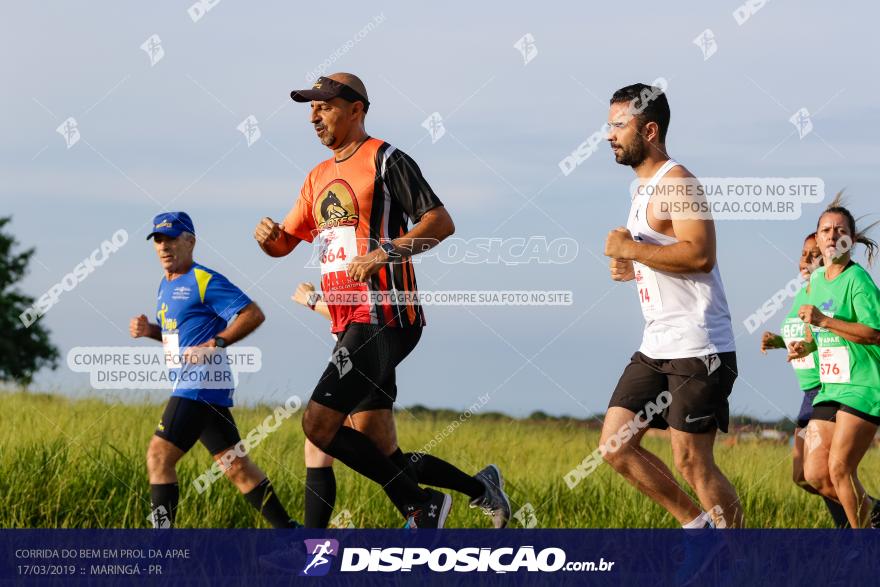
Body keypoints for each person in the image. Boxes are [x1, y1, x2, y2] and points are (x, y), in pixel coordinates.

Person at [254, 73, 507, 528]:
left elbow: (440, 222)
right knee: (379, 450)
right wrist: (269, 238)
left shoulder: (387, 159)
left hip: (387, 314)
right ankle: (478, 488)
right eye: (310, 107)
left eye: (325, 105)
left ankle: (418, 509)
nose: (315, 114)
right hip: (347, 322)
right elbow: (285, 242)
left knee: (318, 425)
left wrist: (384, 252)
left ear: (356, 109)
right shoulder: (316, 178)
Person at [601, 82, 743, 528]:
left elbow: (700, 254)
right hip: (658, 343)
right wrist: (629, 264)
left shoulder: (678, 181)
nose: (609, 135)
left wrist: (633, 250)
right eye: (608, 125)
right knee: (615, 445)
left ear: (649, 130)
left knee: (692, 462)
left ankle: (743, 560)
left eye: (618, 125)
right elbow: (659, 254)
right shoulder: (641, 191)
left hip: (699, 345)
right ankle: (697, 528)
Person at [291, 282, 510, 529]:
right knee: (369, 453)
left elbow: (362, 309)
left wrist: (312, 300)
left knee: (337, 444)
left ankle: (427, 508)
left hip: (366, 350)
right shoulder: (338, 257)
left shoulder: (364, 253)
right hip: (350, 351)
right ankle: (464, 494)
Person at [132, 211, 299, 528]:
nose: (164, 246)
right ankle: (290, 533)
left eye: (171, 239)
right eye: (158, 240)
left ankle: (162, 549)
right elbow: (178, 340)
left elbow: (252, 313)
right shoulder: (164, 286)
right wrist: (151, 331)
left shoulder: (204, 279)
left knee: (158, 456)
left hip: (199, 385)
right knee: (237, 468)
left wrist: (216, 344)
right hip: (204, 388)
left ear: (190, 241)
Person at [789, 198, 880, 528]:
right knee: (814, 474)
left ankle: (865, 553)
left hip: (863, 387)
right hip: (830, 388)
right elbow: (820, 336)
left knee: (840, 469)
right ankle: (873, 520)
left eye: (840, 230)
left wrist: (825, 321)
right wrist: (805, 348)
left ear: (850, 240)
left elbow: (873, 333)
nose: (832, 235)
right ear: (818, 236)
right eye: (825, 230)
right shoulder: (815, 283)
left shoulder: (858, 281)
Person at [760, 233, 849, 527]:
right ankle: (858, 521)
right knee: (802, 475)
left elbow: (825, 336)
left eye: (814, 254)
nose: (806, 260)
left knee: (821, 473)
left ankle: (859, 524)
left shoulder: (826, 292)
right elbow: (804, 340)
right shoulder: (804, 294)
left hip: (826, 389)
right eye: (803, 254)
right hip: (807, 394)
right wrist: (779, 342)